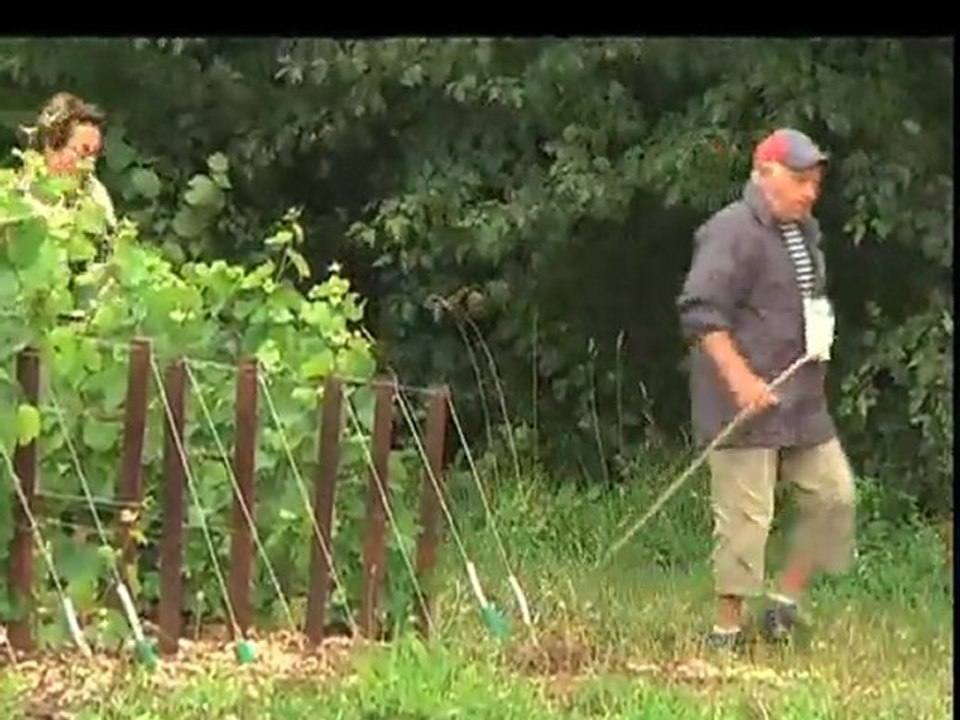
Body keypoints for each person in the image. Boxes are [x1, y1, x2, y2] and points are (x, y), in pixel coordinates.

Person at [676, 128, 857, 650]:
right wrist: (740, 380)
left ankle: (785, 605)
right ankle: (726, 633)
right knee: (746, 519)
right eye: (799, 180)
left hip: (801, 400)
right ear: (764, 174)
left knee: (834, 497)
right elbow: (700, 312)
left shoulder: (806, 232)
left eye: (815, 183)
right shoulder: (729, 232)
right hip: (743, 402)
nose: (809, 192)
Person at [29, 91, 117, 231]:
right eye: (83, 153)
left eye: (95, 155)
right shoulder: (20, 196)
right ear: (52, 147)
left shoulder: (95, 194)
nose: (91, 165)